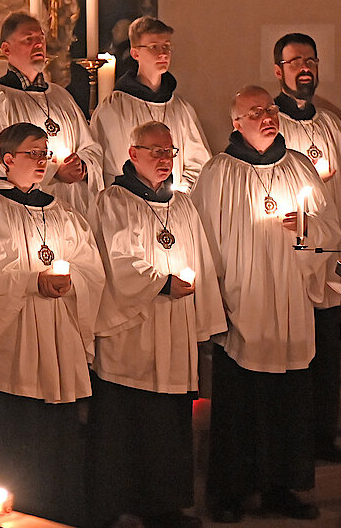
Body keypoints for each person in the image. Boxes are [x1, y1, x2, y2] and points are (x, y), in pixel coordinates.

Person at [192, 85, 340, 523]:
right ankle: (228, 492)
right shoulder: (220, 172)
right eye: (255, 111)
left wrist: (307, 227)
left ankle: (282, 487)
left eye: (270, 108)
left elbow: (329, 227)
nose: (267, 116)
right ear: (236, 123)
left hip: (290, 300)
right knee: (240, 401)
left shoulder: (297, 165)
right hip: (243, 300)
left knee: (288, 399)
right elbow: (204, 241)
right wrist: (216, 299)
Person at [88, 121, 226, 528]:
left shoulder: (181, 204)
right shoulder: (113, 201)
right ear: (133, 154)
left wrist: (201, 319)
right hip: (132, 331)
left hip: (174, 328)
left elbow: (201, 259)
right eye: (156, 152)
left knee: (169, 422)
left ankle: (165, 506)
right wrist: (162, 282)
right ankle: (115, 504)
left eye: (170, 152)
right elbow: (118, 262)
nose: (165, 160)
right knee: (126, 421)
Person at [0, 122, 105, 526]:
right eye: (33, 154)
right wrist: (32, 281)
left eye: (46, 153)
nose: (43, 161)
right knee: (16, 429)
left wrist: (69, 280)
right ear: (7, 160)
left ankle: (59, 511)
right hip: (16, 334)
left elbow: (90, 267)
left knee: (58, 432)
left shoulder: (63, 210)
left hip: (58, 332)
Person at [271, 33, 341, 464]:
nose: (304, 68)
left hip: (329, 254)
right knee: (295, 350)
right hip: (290, 255)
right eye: (295, 62)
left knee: (327, 347)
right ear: (279, 71)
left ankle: (322, 438)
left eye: (310, 60)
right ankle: (291, 443)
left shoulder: (331, 125)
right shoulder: (268, 120)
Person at [0, 12, 103, 215]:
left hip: (73, 210)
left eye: (41, 38)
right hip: (22, 209)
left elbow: (91, 146)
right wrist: (55, 170)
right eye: (28, 39)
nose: (38, 44)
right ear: (6, 49)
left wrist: (82, 164)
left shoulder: (60, 95)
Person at [91, 17, 211, 189]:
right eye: (154, 47)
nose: (163, 54)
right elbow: (104, 168)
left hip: (173, 208)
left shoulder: (180, 109)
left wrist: (179, 196)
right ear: (135, 53)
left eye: (166, 46)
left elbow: (199, 164)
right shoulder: (114, 108)